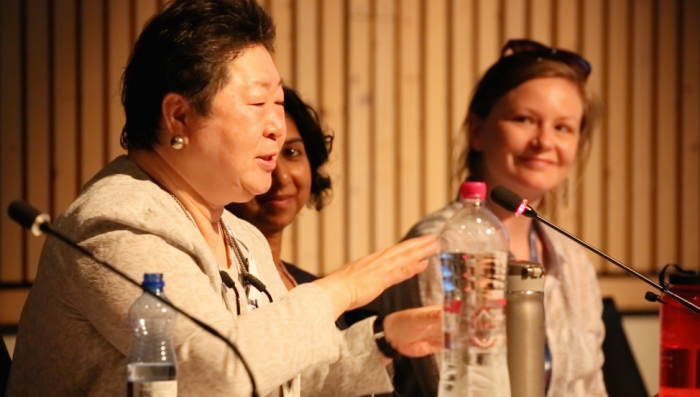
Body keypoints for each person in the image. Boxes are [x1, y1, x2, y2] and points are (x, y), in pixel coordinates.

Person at [6, 1, 442, 396]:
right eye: (257, 103)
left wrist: (386, 338)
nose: (276, 125)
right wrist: (342, 289)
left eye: (279, 102)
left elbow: (284, 377)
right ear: (179, 116)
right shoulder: (117, 224)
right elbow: (214, 369)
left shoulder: (241, 236)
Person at [366, 39, 607, 396]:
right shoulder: (441, 246)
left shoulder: (572, 257)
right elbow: (455, 388)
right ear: (478, 131)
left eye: (563, 128)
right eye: (524, 119)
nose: (544, 141)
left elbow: (591, 387)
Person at [226, 87, 335, 293]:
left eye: (291, 152)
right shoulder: (216, 284)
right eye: (262, 155)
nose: (282, 177)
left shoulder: (311, 285)